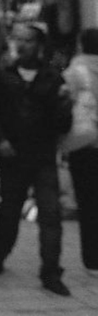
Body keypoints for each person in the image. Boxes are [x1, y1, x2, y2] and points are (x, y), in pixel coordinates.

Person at [0, 21, 74, 296]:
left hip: (42, 154)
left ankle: (51, 271)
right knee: (9, 209)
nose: (21, 45)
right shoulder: (1, 75)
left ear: (39, 45)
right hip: (12, 154)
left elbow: (62, 124)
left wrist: (65, 105)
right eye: (17, 39)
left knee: (50, 213)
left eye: (28, 40)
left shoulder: (52, 78)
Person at [63, 28, 98, 274]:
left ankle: (93, 258)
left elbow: (63, 105)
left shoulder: (75, 71)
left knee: (87, 201)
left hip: (83, 143)